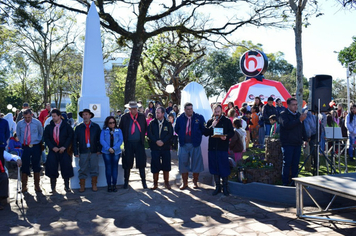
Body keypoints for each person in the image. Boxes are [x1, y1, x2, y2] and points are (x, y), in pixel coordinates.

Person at [204, 104, 234, 196]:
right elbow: (205, 133)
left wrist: (226, 136)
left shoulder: (227, 121)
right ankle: (217, 187)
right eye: (215, 111)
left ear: (221, 111)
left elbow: (232, 132)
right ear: (213, 111)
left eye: (218, 111)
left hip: (222, 148)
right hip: (212, 148)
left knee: (223, 166)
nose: (217, 113)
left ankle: (225, 187)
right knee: (214, 167)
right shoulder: (210, 121)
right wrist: (212, 126)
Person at [175, 102, 206, 189]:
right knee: (183, 163)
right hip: (183, 144)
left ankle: (195, 182)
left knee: (196, 163)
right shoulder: (180, 118)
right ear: (184, 110)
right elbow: (176, 129)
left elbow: (204, 129)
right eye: (188, 109)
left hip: (195, 144)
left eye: (191, 109)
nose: (190, 111)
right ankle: (184, 183)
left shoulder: (199, 117)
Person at [44, 109, 74, 193]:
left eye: (54, 116)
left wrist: (64, 147)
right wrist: (52, 147)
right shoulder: (49, 127)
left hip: (64, 150)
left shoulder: (66, 126)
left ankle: (67, 186)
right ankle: (53, 187)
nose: (53, 118)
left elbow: (70, 136)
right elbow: (46, 138)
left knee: (66, 167)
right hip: (53, 150)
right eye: (52, 116)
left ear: (59, 116)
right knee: (52, 167)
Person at [119, 101, 148, 189]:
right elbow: (120, 129)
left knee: (141, 163)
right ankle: (126, 182)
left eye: (135, 108)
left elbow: (145, 128)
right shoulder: (124, 117)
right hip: (128, 143)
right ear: (129, 109)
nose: (134, 110)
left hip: (139, 143)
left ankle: (144, 182)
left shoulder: (142, 116)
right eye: (132, 109)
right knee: (127, 163)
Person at [279, 98, 307, 186]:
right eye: (293, 105)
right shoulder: (283, 115)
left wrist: (305, 139)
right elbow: (286, 125)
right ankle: (285, 182)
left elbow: (302, 128)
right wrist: (299, 120)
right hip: (288, 143)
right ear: (288, 105)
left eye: (296, 104)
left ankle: (294, 182)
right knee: (287, 163)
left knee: (295, 164)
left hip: (297, 143)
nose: (295, 106)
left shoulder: (298, 115)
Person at [73, 109, 102, 192]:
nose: (85, 116)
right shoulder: (78, 127)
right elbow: (75, 141)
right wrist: (75, 151)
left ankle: (94, 184)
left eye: (86, 114)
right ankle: (82, 185)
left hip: (93, 151)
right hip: (83, 151)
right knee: (82, 169)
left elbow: (100, 139)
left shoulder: (95, 127)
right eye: (83, 115)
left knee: (94, 168)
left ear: (90, 115)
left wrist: (99, 149)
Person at [16, 109, 43, 192]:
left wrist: (38, 141)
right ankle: (24, 186)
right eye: (25, 117)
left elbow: (41, 133)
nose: (27, 119)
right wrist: (22, 142)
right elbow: (18, 134)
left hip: (35, 146)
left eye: (28, 117)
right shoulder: (20, 123)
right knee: (25, 165)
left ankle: (37, 186)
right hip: (25, 146)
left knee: (36, 165)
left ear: (31, 115)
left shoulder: (37, 122)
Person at [147, 107, 173, 190]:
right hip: (155, 147)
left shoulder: (168, 123)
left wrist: (163, 141)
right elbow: (149, 134)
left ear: (163, 113)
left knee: (166, 165)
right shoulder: (152, 123)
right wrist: (156, 141)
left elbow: (170, 134)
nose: (156, 114)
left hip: (165, 148)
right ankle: (155, 183)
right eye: (156, 112)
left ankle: (166, 183)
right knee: (155, 165)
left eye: (158, 112)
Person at [100, 116, 123, 192]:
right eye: (110, 123)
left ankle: (114, 185)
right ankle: (109, 185)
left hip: (116, 152)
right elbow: (102, 140)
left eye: (113, 122)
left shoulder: (118, 130)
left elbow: (120, 140)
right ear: (107, 123)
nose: (112, 124)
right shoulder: (104, 130)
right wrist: (108, 148)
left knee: (115, 168)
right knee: (108, 168)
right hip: (106, 152)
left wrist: (114, 148)